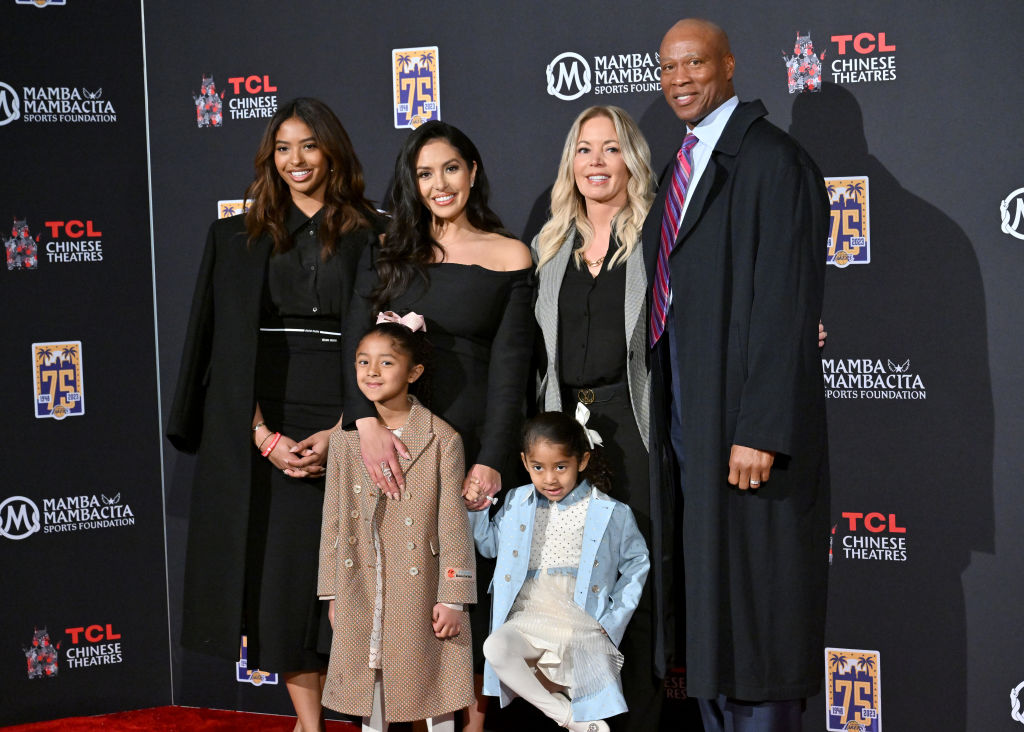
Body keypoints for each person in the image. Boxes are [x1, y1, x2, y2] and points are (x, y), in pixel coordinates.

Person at [167, 97, 383, 732]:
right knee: (285, 587)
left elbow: (384, 338)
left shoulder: (371, 232)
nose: (297, 161)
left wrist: (346, 427)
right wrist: (261, 436)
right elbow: (219, 349)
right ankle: (310, 723)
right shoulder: (234, 236)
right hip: (267, 421)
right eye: (283, 148)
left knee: (356, 581)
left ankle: (362, 715)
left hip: (352, 416)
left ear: (332, 151)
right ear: (270, 156)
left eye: (309, 146)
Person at [643, 19, 830, 731]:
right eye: (667, 68)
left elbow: (787, 302)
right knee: (715, 618)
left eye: (694, 64)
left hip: (749, 436)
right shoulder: (682, 164)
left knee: (759, 617)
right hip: (694, 420)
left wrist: (761, 428)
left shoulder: (773, 160)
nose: (680, 79)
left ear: (728, 66)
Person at [341, 120, 534, 732]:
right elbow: (355, 344)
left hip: (468, 442)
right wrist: (363, 426)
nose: (439, 183)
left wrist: (492, 458)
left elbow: (512, 374)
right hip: (390, 446)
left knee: (460, 593)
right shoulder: (388, 253)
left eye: (450, 168)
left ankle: (471, 722)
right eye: (424, 173)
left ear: (472, 171)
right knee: (391, 589)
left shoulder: (510, 256)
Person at [531, 105, 662, 730]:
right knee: (569, 584)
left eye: (611, 149)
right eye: (585, 150)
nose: (597, 163)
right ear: (571, 163)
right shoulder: (549, 242)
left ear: (630, 160)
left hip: (631, 425)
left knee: (632, 579)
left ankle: (637, 714)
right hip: (563, 424)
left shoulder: (658, 235)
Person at [319, 315, 476, 731]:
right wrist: (332, 591)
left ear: (414, 372)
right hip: (363, 581)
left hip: (422, 583)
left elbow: (454, 525)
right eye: (362, 361)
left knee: (435, 677)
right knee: (369, 673)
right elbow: (333, 524)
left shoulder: (442, 438)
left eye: (386, 363)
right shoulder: (345, 439)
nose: (371, 372)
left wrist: (454, 596)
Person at [468, 411, 649, 732]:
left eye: (560, 467)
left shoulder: (609, 511)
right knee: (494, 647)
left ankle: (579, 717)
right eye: (538, 467)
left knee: (588, 696)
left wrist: (612, 619)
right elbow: (489, 546)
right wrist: (477, 510)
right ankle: (566, 718)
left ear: (582, 461)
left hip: (578, 617)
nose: (550, 478)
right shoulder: (516, 501)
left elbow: (637, 563)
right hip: (529, 614)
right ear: (525, 462)